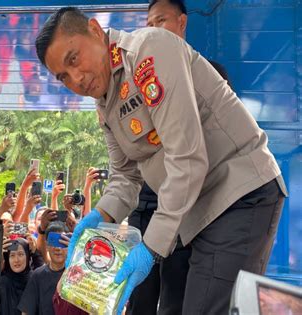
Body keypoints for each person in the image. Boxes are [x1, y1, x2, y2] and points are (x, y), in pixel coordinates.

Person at [35, 7, 287, 315]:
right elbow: (125, 178)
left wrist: (150, 249)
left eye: (74, 59)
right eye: (63, 77)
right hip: (194, 213)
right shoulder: (104, 106)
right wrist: (99, 217)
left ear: (95, 31)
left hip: (238, 195)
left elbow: (188, 158)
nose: (75, 79)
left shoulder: (148, 52)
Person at [127, 1, 233, 314]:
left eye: (161, 20)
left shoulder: (210, 75)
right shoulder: (137, 82)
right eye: (149, 23)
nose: (154, 29)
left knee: (175, 301)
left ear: (182, 22)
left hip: (185, 210)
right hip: (145, 207)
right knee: (139, 298)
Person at [18, 222, 69, 315]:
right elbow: (26, 311)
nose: (58, 248)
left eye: (62, 242)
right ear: (47, 245)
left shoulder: (76, 275)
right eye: (54, 242)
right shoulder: (38, 275)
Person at [0, 238, 32, 315]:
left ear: (27, 256)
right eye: (12, 255)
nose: (16, 260)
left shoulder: (35, 280)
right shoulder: (2, 282)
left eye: (20, 254)